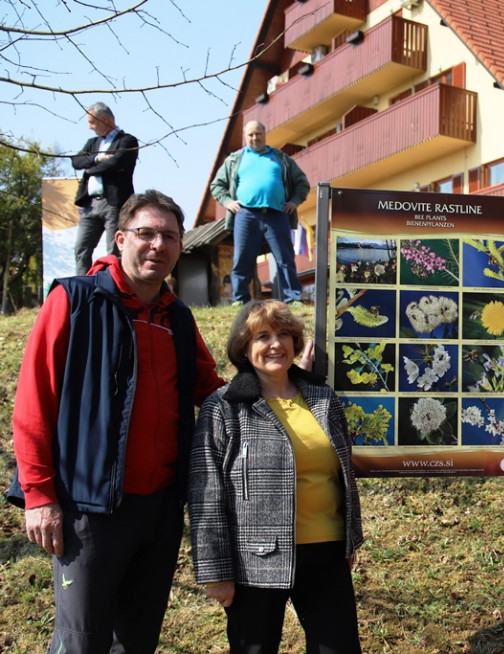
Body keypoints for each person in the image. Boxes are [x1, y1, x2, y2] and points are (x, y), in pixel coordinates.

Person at [7, 189, 226, 653]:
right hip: (87, 510)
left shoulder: (178, 319)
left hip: (161, 512)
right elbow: (33, 401)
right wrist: (39, 495)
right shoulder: (74, 300)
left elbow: (214, 391)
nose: (157, 245)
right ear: (120, 238)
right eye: (146, 234)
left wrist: (287, 380)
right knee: (81, 642)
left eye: (169, 236)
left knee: (136, 641)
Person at [189, 300, 363, 654]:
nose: (275, 344)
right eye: (262, 336)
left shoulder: (322, 398)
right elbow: (207, 494)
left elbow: (342, 476)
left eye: (284, 334)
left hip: (326, 555)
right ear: (244, 346)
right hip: (254, 562)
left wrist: (348, 541)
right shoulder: (223, 407)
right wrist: (216, 572)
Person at [210, 120, 311, 306]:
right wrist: (228, 202)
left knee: (285, 258)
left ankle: (294, 297)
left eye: (258, 134)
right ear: (245, 137)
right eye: (250, 134)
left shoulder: (280, 158)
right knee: (242, 259)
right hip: (246, 215)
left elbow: (302, 183)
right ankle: (240, 299)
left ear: (265, 134)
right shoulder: (235, 159)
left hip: (277, 214)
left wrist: (294, 202)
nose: (254, 138)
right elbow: (216, 185)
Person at [71, 102, 139, 274]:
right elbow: (75, 161)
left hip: (114, 204)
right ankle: (84, 288)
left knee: (114, 250)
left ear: (105, 120)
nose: (89, 127)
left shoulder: (127, 141)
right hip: (90, 205)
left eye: (92, 122)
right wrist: (98, 160)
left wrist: (90, 169)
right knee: (81, 248)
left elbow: (117, 162)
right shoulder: (92, 143)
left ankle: (114, 289)